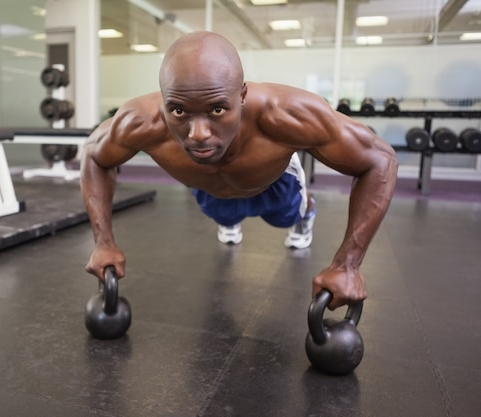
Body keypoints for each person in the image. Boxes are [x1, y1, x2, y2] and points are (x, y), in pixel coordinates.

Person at [80, 31, 397, 310]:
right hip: (209, 190)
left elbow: (380, 160)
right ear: (163, 101)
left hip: (275, 182)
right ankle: (230, 215)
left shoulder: (285, 115)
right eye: (178, 111)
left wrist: (347, 265)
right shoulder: (141, 123)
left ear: (242, 95)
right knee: (225, 214)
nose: (198, 134)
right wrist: (103, 242)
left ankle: (306, 211)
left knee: (286, 216)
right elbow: (94, 156)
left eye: (217, 109)